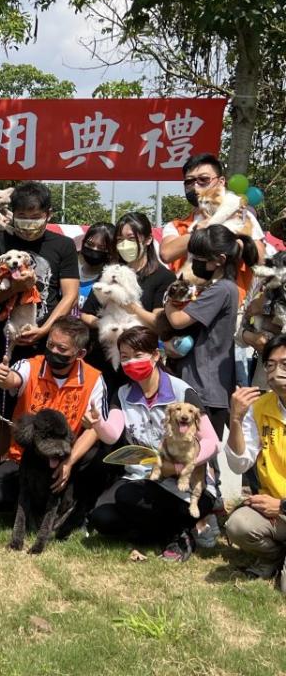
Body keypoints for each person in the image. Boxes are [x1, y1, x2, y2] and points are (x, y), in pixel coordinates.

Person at [88, 326, 220, 562]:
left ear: (156, 355)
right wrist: (97, 423)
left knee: (129, 498)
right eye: (125, 357)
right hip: (143, 479)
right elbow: (111, 434)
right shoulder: (123, 393)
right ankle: (167, 529)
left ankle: (180, 534)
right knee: (102, 518)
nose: (130, 363)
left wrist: (180, 467)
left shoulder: (182, 391)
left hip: (184, 482)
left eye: (138, 355)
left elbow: (212, 442)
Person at [0, 182, 80, 464]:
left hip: (46, 343)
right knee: (2, 409)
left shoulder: (62, 246)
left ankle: (41, 467)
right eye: (21, 214)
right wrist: (13, 288)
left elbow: (70, 294)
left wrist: (46, 330)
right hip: (6, 341)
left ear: (47, 214)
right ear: (11, 214)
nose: (27, 221)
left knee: (43, 408)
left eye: (34, 214)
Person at [0, 317, 108, 518]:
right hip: (25, 458)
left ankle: (76, 502)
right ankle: (34, 502)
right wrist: (4, 378)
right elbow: (13, 379)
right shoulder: (29, 365)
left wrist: (69, 462)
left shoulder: (94, 378)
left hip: (64, 455)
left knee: (97, 459)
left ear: (80, 353)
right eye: (50, 344)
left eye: (62, 349)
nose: (54, 352)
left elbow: (95, 427)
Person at [163, 225, 259, 438]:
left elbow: (178, 320)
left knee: (199, 456)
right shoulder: (222, 287)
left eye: (200, 257)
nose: (195, 261)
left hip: (205, 386)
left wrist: (169, 302)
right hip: (205, 383)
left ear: (220, 260)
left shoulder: (222, 289)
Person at [81, 212, 175, 395]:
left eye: (131, 238)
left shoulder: (163, 277)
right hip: (103, 359)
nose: (124, 244)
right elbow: (87, 313)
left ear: (148, 239)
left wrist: (130, 307)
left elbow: (158, 322)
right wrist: (105, 326)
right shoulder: (111, 272)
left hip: (138, 363)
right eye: (120, 239)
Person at [160, 153, 265, 300]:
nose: (196, 186)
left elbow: (261, 260)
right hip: (187, 307)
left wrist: (234, 234)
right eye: (189, 181)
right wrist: (202, 229)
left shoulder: (242, 216)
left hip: (230, 307)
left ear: (221, 182)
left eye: (203, 179)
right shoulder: (177, 226)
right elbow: (166, 254)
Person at [226, 336, 286, 586]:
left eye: (284, 363)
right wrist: (236, 420)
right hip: (274, 509)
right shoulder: (259, 406)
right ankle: (275, 557)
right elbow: (239, 464)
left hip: (281, 507)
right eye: (270, 365)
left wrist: (283, 506)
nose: (276, 372)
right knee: (238, 525)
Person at [77, 222, 115, 310]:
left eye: (101, 248)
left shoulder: (110, 282)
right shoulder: (69, 269)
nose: (94, 250)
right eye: (90, 244)